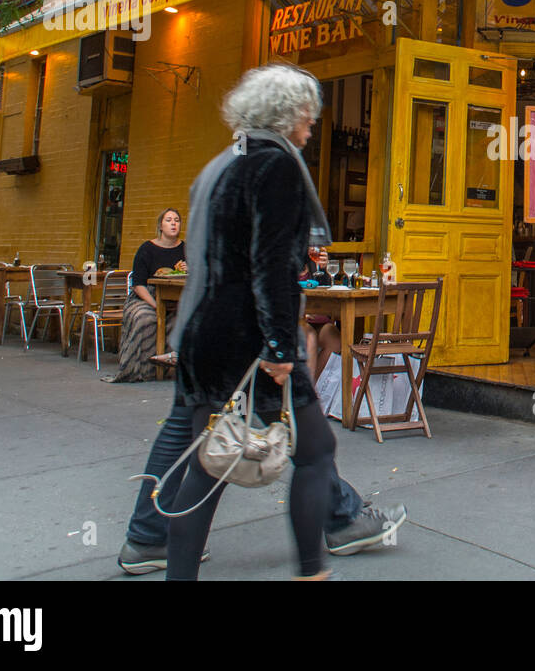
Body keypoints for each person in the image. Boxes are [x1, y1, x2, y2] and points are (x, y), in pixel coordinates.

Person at [117, 65, 404, 578]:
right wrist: (278, 349)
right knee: (312, 450)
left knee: (211, 465)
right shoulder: (277, 167)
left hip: (204, 334)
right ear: (288, 114)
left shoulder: (222, 163)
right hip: (249, 340)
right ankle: (315, 564)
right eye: (308, 117)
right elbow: (271, 265)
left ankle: (161, 552)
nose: (312, 126)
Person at [104, 209, 187, 383]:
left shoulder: (185, 249)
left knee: (180, 320)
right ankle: (139, 369)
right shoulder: (147, 249)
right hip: (146, 297)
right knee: (145, 318)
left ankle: (170, 369)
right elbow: (138, 284)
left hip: (176, 298)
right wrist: (156, 306)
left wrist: (189, 269)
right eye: (169, 220)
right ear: (160, 226)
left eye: (177, 220)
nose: (173, 223)